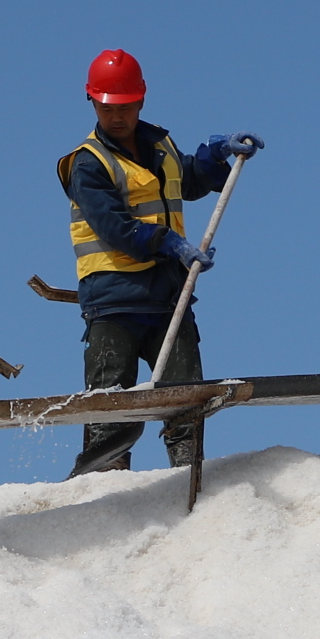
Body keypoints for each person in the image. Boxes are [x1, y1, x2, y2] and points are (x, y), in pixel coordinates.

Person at [57, 50, 262, 477]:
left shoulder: (159, 146)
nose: (117, 117)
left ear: (142, 100)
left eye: (126, 107)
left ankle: (188, 484)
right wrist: (171, 243)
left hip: (168, 297)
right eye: (108, 108)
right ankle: (102, 492)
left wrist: (214, 156)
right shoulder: (88, 163)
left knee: (187, 400)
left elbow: (185, 180)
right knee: (111, 412)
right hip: (114, 302)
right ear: (92, 102)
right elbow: (114, 227)